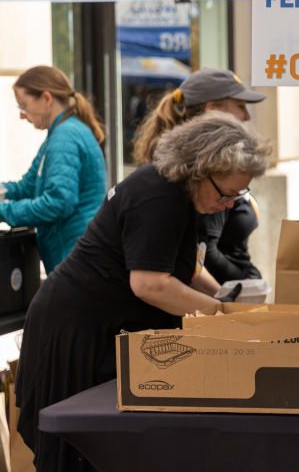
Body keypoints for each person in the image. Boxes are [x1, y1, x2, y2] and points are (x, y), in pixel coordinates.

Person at [15, 113, 264, 472]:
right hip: (78, 334)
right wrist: (221, 315)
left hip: (103, 327)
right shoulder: (158, 196)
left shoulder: (184, 194)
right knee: (79, 456)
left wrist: (232, 298)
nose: (230, 204)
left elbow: (187, 269)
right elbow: (150, 283)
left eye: (240, 194)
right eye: (227, 194)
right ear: (199, 169)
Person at [132, 68, 266, 282]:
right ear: (212, 111)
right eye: (240, 106)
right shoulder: (202, 173)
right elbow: (203, 255)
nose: (247, 116)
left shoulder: (206, 167)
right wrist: (243, 285)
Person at [0, 66, 106, 273]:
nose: (22, 115)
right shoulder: (59, 134)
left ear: (47, 98)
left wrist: (3, 211)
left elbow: (58, 203)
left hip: (76, 259)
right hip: (75, 257)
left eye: (23, 105)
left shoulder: (65, 137)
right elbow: (27, 186)